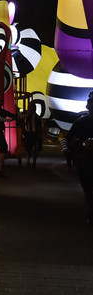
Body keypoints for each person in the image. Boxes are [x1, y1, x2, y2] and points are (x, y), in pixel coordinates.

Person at [65, 91, 93, 223]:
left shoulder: (80, 122)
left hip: (84, 161)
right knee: (88, 188)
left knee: (88, 189)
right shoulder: (81, 123)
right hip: (85, 161)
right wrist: (73, 148)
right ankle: (91, 213)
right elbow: (67, 139)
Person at [21, 101, 43, 167]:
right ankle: (29, 161)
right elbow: (23, 124)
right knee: (29, 148)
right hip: (29, 133)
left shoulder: (37, 117)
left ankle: (32, 162)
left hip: (34, 133)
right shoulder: (26, 116)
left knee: (35, 148)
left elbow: (40, 126)